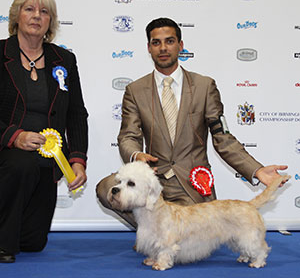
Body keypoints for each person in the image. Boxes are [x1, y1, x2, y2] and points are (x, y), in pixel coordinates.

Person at [96, 17, 287, 228]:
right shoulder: (135, 90)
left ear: (180, 45)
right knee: (106, 188)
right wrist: (137, 155)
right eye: (156, 42)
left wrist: (257, 170)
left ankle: (167, 235)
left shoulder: (204, 86)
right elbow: (128, 136)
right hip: (153, 182)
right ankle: (153, 232)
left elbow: (223, 138)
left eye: (169, 41)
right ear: (149, 48)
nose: (163, 48)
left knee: (187, 244)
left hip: (191, 184)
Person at [0, 0, 88, 263]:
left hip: (47, 162)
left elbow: (76, 113)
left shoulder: (65, 60)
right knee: (21, 163)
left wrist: (76, 160)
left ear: (51, 21)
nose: (37, 16)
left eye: (44, 11)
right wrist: (15, 136)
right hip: (7, 155)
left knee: (33, 243)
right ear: (16, 16)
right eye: (29, 9)